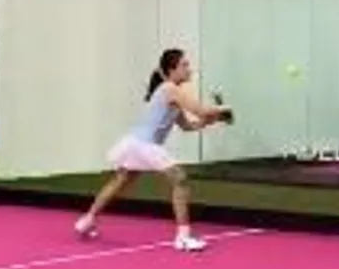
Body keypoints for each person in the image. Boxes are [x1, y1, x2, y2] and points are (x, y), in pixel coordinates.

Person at [74, 49, 233, 251]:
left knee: (120, 181)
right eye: (184, 65)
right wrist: (222, 109)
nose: (189, 69)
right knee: (180, 179)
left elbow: (188, 125)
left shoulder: (172, 93)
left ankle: (87, 220)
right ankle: (183, 237)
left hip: (135, 143)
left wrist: (212, 120)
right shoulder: (170, 89)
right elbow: (201, 110)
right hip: (144, 144)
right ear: (172, 70)